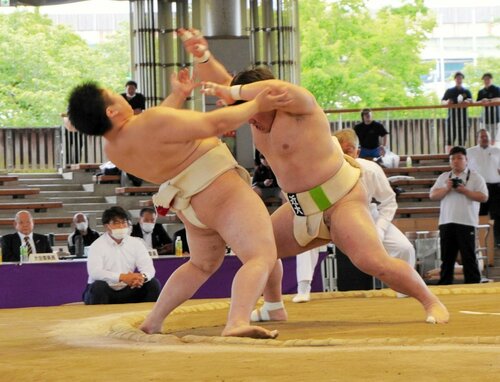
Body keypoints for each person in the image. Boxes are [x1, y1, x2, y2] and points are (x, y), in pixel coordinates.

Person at [180, 28, 449, 324]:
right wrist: (203, 55)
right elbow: (223, 82)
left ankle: (431, 301)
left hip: (341, 201)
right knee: (260, 250)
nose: (250, 117)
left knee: (372, 261)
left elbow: (256, 90)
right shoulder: (252, 112)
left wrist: (233, 92)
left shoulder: (300, 106)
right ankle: (273, 307)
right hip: (299, 208)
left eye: (250, 104)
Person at [68, 69, 291, 338]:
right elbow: (213, 125)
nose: (119, 95)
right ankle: (237, 322)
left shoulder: (113, 148)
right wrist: (257, 104)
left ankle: (154, 321)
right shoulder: (148, 122)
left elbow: (157, 132)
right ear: (111, 112)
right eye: (112, 95)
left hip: (189, 204)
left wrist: (178, 95)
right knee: (260, 256)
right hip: (220, 190)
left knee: (201, 265)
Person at [293, 129, 416, 302]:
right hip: (328, 219)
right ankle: (303, 288)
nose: (344, 155)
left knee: (404, 248)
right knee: (307, 240)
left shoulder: (371, 170)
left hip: (365, 217)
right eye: (339, 150)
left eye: (349, 150)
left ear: (357, 152)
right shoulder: (319, 171)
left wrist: (379, 230)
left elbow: (389, 201)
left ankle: (405, 287)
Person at [429, 146, 488, 285]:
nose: (456, 161)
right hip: (446, 222)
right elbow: (432, 195)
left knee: (469, 257)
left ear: (466, 160)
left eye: (459, 158)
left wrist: (464, 191)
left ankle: (474, 285)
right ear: (450, 161)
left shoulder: (475, 177)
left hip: (467, 222)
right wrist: (447, 188)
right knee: (447, 258)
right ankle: (445, 285)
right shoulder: (444, 177)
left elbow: (484, 197)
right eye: (452, 158)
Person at [83, 206, 162, 305]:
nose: (121, 226)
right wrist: (122, 277)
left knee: (153, 284)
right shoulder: (97, 245)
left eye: (124, 222)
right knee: (99, 286)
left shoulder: (136, 243)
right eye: (116, 223)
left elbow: (149, 268)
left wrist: (142, 277)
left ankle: (149, 318)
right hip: (105, 290)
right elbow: (95, 272)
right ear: (107, 226)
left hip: (128, 288)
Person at [466, 129, 500, 247]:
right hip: (478, 188)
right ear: (477, 138)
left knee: (497, 214)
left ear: (490, 139)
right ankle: (479, 240)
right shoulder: (469, 152)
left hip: (496, 188)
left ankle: (498, 241)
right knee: (480, 214)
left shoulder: (497, 151)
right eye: (482, 136)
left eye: (486, 136)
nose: (484, 138)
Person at [442, 71, 472, 152]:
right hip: (452, 119)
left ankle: (461, 156)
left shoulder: (466, 91)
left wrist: (468, 101)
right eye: (457, 78)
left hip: (463, 119)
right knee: (449, 140)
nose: (459, 79)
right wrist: (447, 102)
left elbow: (471, 100)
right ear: (455, 79)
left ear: (462, 79)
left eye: (461, 78)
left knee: (462, 140)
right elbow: (443, 101)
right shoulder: (449, 91)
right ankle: (448, 157)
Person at [476, 73, 500, 145]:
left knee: (493, 137)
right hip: (484, 118)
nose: (486, 80)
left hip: (495, 117)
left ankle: (492, 150)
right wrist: (482, 101)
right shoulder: (481, 91)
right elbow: (477, 102)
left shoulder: (496, 89)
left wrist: (489, 100)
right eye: (485, 79)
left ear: (491, 79)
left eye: (488, 79)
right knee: (484, 135)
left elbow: (499, 99)